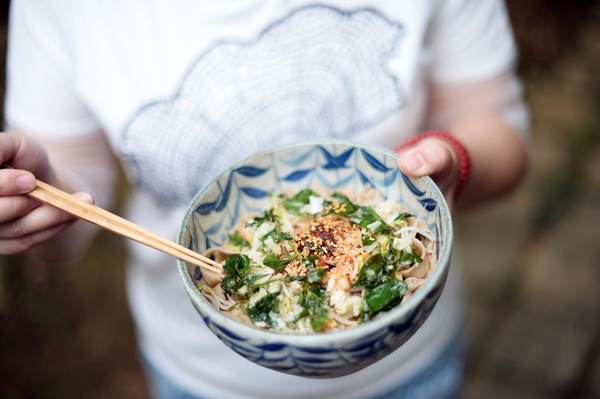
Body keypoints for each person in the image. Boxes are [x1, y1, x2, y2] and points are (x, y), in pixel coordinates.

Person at [1, 1, 528, 398]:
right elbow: (76, 214)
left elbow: (504, 131)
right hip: (203, 379)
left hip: (408, 365)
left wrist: (452, 160)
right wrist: (36, 198)